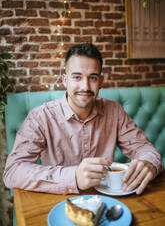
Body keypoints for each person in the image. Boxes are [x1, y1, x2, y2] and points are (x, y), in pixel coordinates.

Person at [3, 43, 163, 195]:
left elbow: (145, 149)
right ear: (65, 80)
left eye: (92, 78)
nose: (85, 87)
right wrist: (73, 177)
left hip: (108, 200)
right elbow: (13, 171)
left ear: (100, 82)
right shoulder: (41, 116)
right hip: (58, 201)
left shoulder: (115, 111)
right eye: (77, 77)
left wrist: (150, 164)